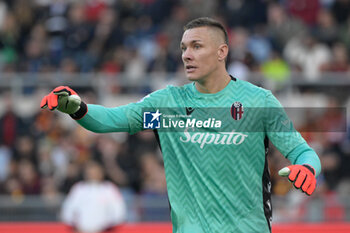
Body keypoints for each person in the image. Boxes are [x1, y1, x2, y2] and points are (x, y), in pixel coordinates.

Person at [41, 17, 321, 233]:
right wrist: (79, 109)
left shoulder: (259, 102)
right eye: (184, 48)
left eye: (197, 47)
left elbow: (302, 152)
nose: (186, 55)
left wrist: (307, 168)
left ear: (222, 51)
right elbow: (112, 120)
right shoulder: (166, 106)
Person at [61, 161, 126, 233]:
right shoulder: (78, 189)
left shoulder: (109, 189)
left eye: (95, 172)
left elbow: (118, 212)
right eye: (90, 172)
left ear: (101, 173)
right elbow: (68, 211)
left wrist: (105, 227)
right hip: (81, 230)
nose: (93, 175)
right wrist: (76, 227)